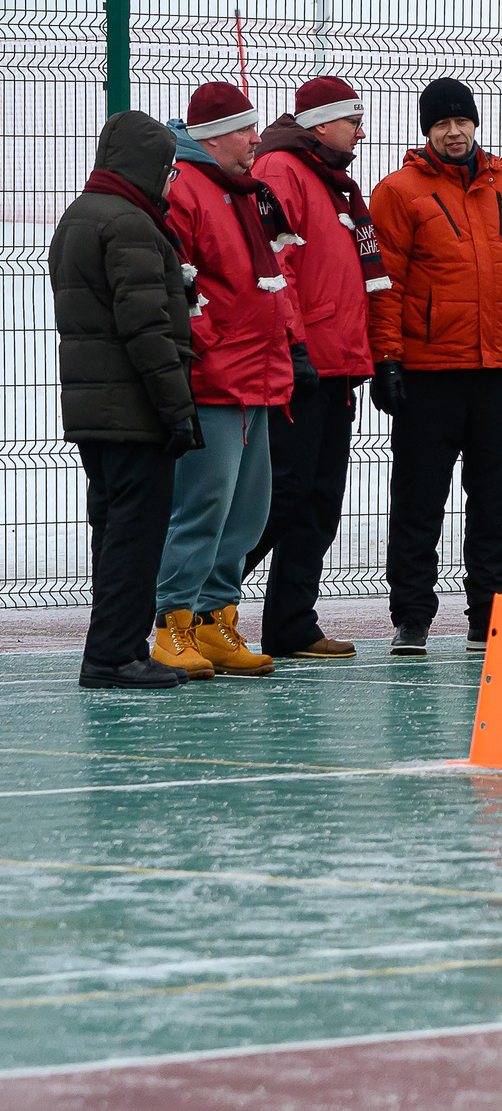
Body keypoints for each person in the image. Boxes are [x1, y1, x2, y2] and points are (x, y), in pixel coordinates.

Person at [369, 78, 502, 656]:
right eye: (441, 124)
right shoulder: (398, 193)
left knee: (494, 499)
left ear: (475, 125)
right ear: (426, 130)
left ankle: (491, 614)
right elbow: (386, 285)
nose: (454, 133)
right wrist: (388, 359)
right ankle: (411, 618)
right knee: (418, 498)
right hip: (429, 371)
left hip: (497, 368)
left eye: (462, 122)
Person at [51, 112, 199, 689]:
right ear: (146, 166)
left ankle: (114, 647)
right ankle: (115, 655)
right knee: (135, 537)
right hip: (135, 410)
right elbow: (147, 329)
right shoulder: (131, 224)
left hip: (98, 410)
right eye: (167, 168)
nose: (170, 181)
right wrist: (176, 409)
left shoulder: (81, 216)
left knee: (113, 533)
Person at [158, 81, 298, 679]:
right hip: (217, 379)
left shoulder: (250, 193)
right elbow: (179, 284)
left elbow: (276, 274)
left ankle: (216, 617)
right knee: (204, 505)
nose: (255, 139)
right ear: (214, 136)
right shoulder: (184, 190)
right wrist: (209, 349)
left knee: (249, 509)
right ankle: (172, 623)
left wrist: (289, 345)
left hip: (260, 378)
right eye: (245, 130)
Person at [245, 76, 379, 660]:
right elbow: (280, 267)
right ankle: (194, 604)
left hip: (337, 365)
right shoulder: (283, 171)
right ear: (321, 123)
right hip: (305, 367)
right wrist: (296, 347)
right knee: (283, 497)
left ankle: (292, 623)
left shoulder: (337, 185)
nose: (360, 130)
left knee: (319, 500)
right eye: (351, 120)